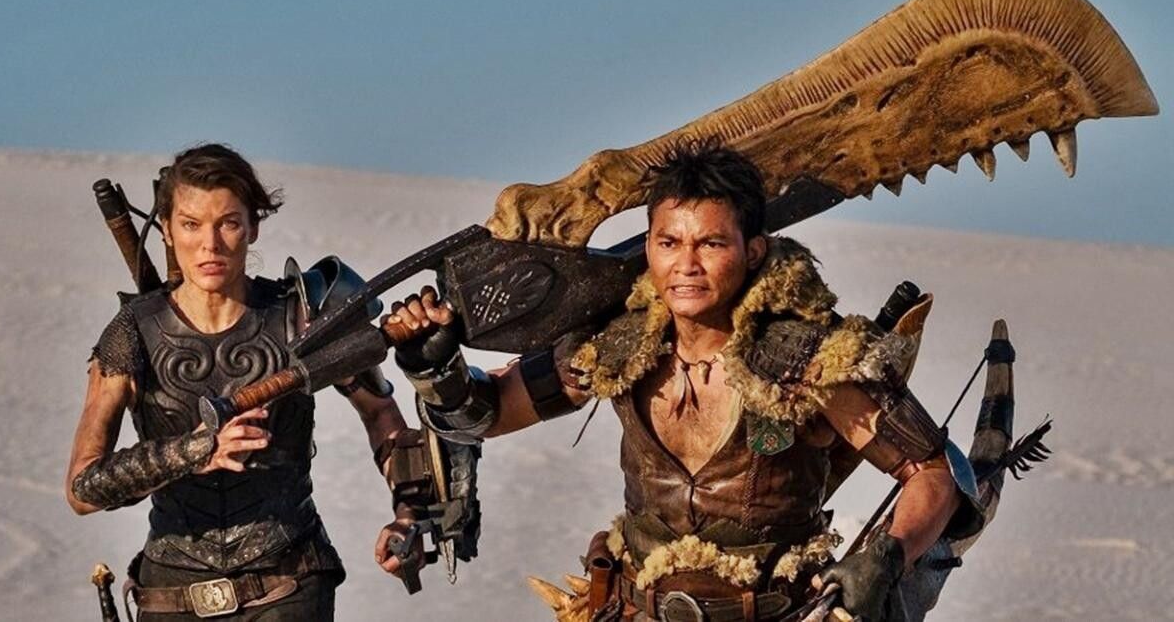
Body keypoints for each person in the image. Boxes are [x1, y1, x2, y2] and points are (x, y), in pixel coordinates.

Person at [378, 138, 982, 621]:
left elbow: (935, 471)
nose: (686, 265)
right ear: (648, 247)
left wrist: (887, 556)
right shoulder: (618, 348)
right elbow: (487, 415)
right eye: (669, 242)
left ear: (752, 251)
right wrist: (434, 364)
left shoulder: (808, 360)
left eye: (711, 243)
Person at [66, 144, 411, 620]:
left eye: (228, 223)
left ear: (253, 227)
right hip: (169, 595)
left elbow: (381, 412)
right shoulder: (132, 332)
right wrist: (194, 451)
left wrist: (409, 513)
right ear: (166, 229)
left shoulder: (301, 317)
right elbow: (82, 488)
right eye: (191, 224)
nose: (210, 244)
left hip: (288, 584)